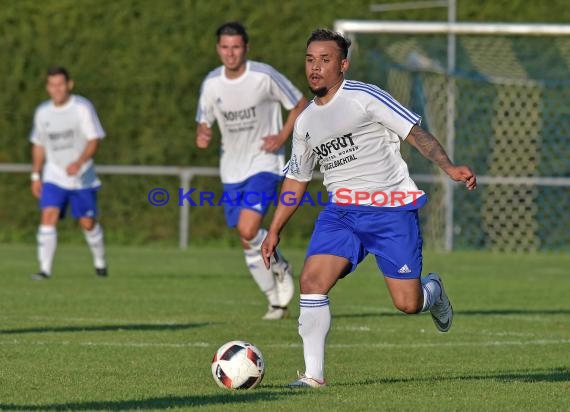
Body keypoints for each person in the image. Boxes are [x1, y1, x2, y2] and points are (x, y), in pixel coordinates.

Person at [261, 29, 477, 387]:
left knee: (407, 303)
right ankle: (313, 376)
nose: (315, 68)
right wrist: (274, 229)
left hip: (390, 212)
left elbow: (415, 133)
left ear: (342, 65)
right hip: (341, 214)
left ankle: (433, 291)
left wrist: (448, 165)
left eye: (325, 60)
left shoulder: (364, 97)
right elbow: (297, 179)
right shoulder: (305, 123)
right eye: (310, 59)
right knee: (312, 281)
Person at [195, 22, 308, 320]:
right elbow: (203, 121)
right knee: (246, 238)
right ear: (218, 49)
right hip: (231, 169)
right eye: (224, 47)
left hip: (264, 164)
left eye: (236, 47)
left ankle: (280, 267)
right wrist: (202, 133)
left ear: (246, 48)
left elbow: (300, 104)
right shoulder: (211, 84)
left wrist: (282, 137)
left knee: (248, 228)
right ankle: (274, 300)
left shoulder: (263, 75)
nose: (230, 53)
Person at [29, 66, 108, 280]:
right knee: (48, 214)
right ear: (48, 87)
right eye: (52, 85)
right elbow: (38, 144)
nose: (57, 89)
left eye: (61, 84)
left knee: (87, 222)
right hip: (54, 174)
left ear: (69, 85)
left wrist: (79, 161)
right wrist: (35, 175)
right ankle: (44, 269)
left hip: (81, 177)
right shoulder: (43, 112)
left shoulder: (82, 107)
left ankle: (100, 264)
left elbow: (94, 139)